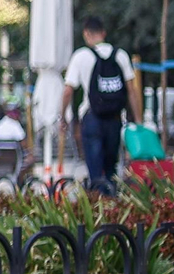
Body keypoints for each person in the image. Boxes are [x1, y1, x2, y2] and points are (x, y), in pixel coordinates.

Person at [60, 16, 143, 195]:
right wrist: (138, 120)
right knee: (111, 168)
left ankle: (98, 209)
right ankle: (113, 206)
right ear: (104, 33)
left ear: (86, 34)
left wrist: (62, 116)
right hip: (115, 118)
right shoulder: (120, 55)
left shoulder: (81, 56)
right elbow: (132, 90)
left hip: (92, 119)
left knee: (95, 171)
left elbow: (68, 91)